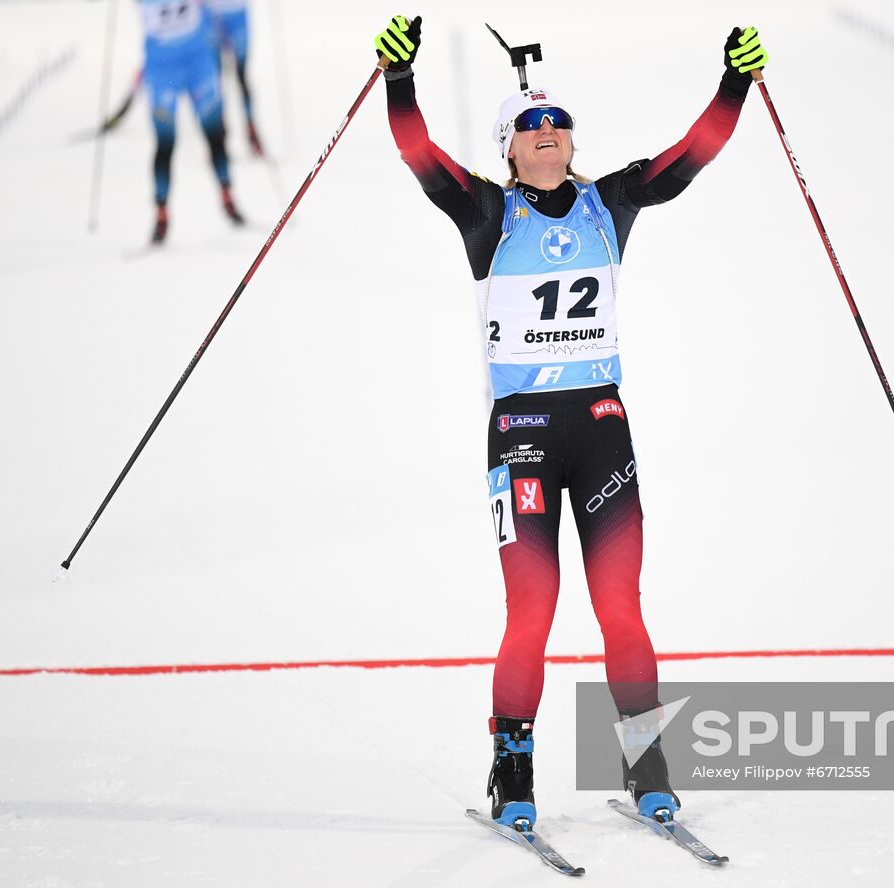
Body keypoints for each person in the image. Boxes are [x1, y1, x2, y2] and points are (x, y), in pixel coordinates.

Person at [373, 14, 768, 827]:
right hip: (521, 438)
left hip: (599, 430)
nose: (547, 131)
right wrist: (399, 80)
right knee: (533, 611)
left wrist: (735, 81)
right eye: (530, 124)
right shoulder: (486, 215)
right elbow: (417, 153)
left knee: (621, 606)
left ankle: (644, 757)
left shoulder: (608, 202)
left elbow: (690, 157)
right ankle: (512, 769)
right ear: (508, 149)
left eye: (558, 123)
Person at [138, 0, 244, 244]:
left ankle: (228, 196)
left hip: (197, 61)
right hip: (162, 68)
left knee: (214, 133)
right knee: (165, 142)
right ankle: (161, 214)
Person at [205, 0, 264, 157]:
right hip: (211, 16)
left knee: (241, 75)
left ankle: (251, 129)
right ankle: (219, 133)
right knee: (214, 80)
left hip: (237, 15)